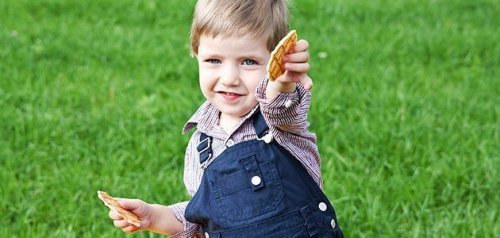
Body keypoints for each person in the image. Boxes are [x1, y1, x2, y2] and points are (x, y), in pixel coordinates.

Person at [107, 0, 343, 237]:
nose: (229, 78)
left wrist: (282, 83)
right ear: (196, 53)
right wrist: (154, 216)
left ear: (274, 62)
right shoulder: (201, 146)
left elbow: (280, 104)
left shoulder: (279, 121)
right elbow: (202, 216)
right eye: (214, 61)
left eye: (248, 62)